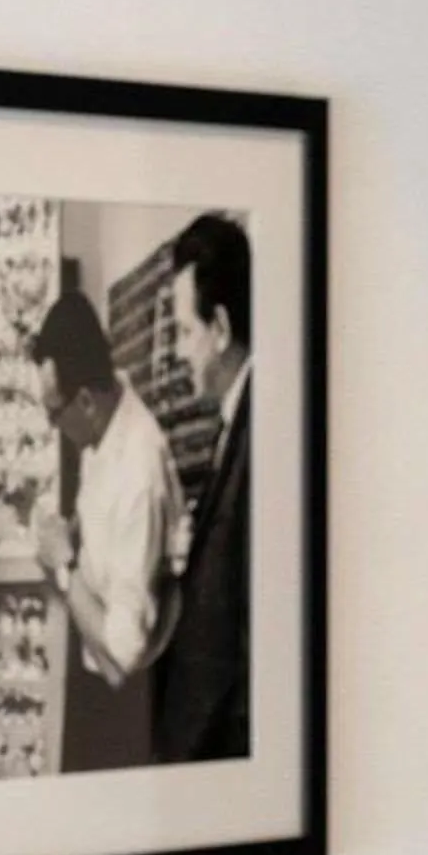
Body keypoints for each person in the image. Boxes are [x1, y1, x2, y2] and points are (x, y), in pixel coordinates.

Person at [28, 290, 186, 774]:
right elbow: (106, 533)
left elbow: (123, 656)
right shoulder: (106, 416)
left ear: (84, 402)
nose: (53, 426)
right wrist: (72, 534)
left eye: (54, 413)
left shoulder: (139, 470)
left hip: (132, 710)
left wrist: (63, 562)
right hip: (94, 673)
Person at [155, 213, 253, 765]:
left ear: (218, 328)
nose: (178, 352)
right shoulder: (234, 423)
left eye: (185, 332)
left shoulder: (263, 428)